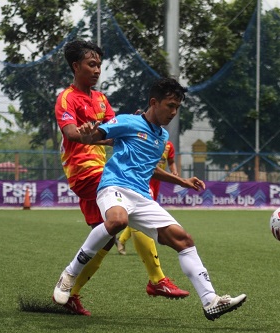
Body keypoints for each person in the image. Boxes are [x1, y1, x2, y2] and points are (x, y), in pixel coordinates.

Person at [53, 77, 247, 320]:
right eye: (170, 105)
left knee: (184, 240)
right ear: (154, 103)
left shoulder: (162, 137)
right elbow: (95, 136)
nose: (174, 112)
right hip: (113, 186)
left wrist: (182, 181)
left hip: (142, 198)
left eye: (177, 107)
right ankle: (69, 275)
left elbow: (150, 168)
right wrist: (88, 133)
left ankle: (211, 301)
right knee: (117, 222)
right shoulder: (127, 121)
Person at [54, 40, 188, 315]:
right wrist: (89, 133)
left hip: (104, 171)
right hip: (84, 171)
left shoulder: (101, 99)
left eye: (99, 65)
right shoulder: (67, 98)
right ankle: (157, 279)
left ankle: (72, 293)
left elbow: (116, 133)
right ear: (75, 66)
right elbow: (70, 134)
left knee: (106, 237)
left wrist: (131, 128)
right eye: (91, 64)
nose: (97, 70)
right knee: (135, 204)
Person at [117, 140, 178, 256]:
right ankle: (123, 240)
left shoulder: (170, 145)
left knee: (143, 210)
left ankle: (121, 239)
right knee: (142, 210)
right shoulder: (149, 140)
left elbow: (171, 161)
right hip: (145, 178)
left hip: (158, 180)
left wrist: (174, 172)